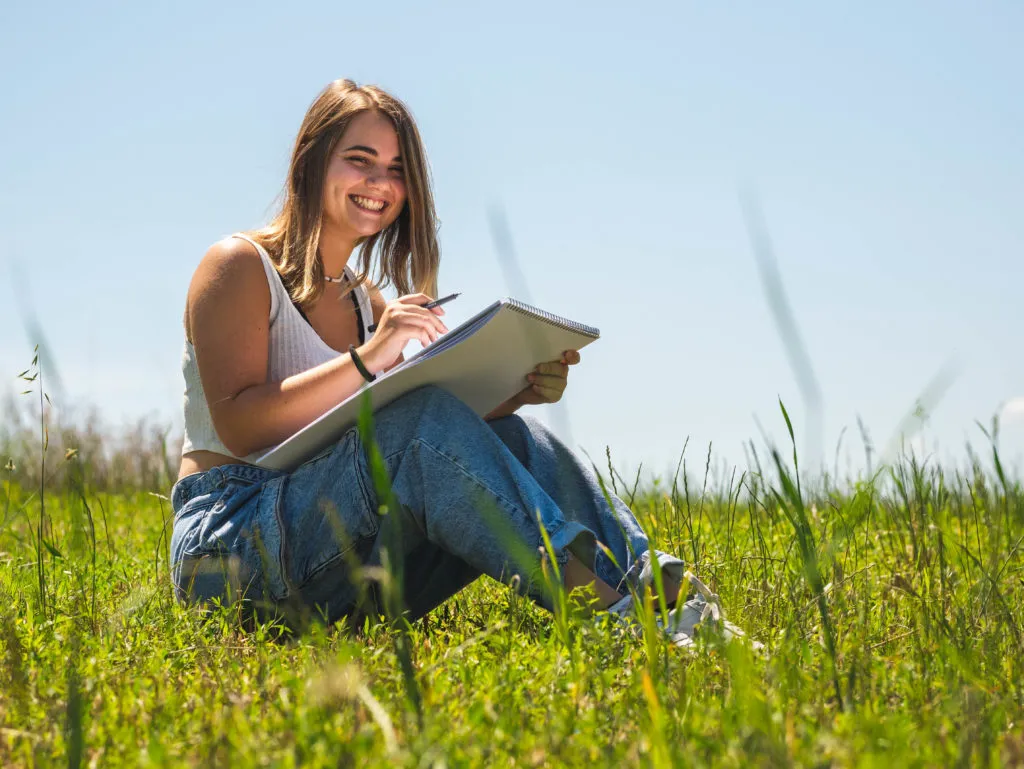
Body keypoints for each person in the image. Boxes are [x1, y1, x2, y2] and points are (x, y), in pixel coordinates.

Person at [170, 78, 754, 648]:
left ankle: (662, 595)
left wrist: (518, 386)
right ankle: (611, 615)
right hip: (228, 543)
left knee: (514, 435)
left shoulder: (366, 302)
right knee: (420, 424)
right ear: (312, 161)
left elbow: (409, 448)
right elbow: (241, 425)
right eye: (361, 159)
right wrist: (372, 357)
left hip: (332, 554)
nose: (381, 183)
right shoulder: (239, 266)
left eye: (397, 169)